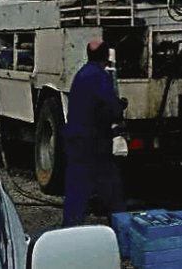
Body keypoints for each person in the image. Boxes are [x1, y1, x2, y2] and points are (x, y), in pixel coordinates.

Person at [61, 39, 126, 226]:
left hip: (75, 140)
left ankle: (69, 230)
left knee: (76, 189)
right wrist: (120, 107)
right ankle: (121, 232)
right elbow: (111, 109)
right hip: (93, 143)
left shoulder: (82, 74)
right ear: (106, 56)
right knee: (112, 189)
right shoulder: (100, 77)